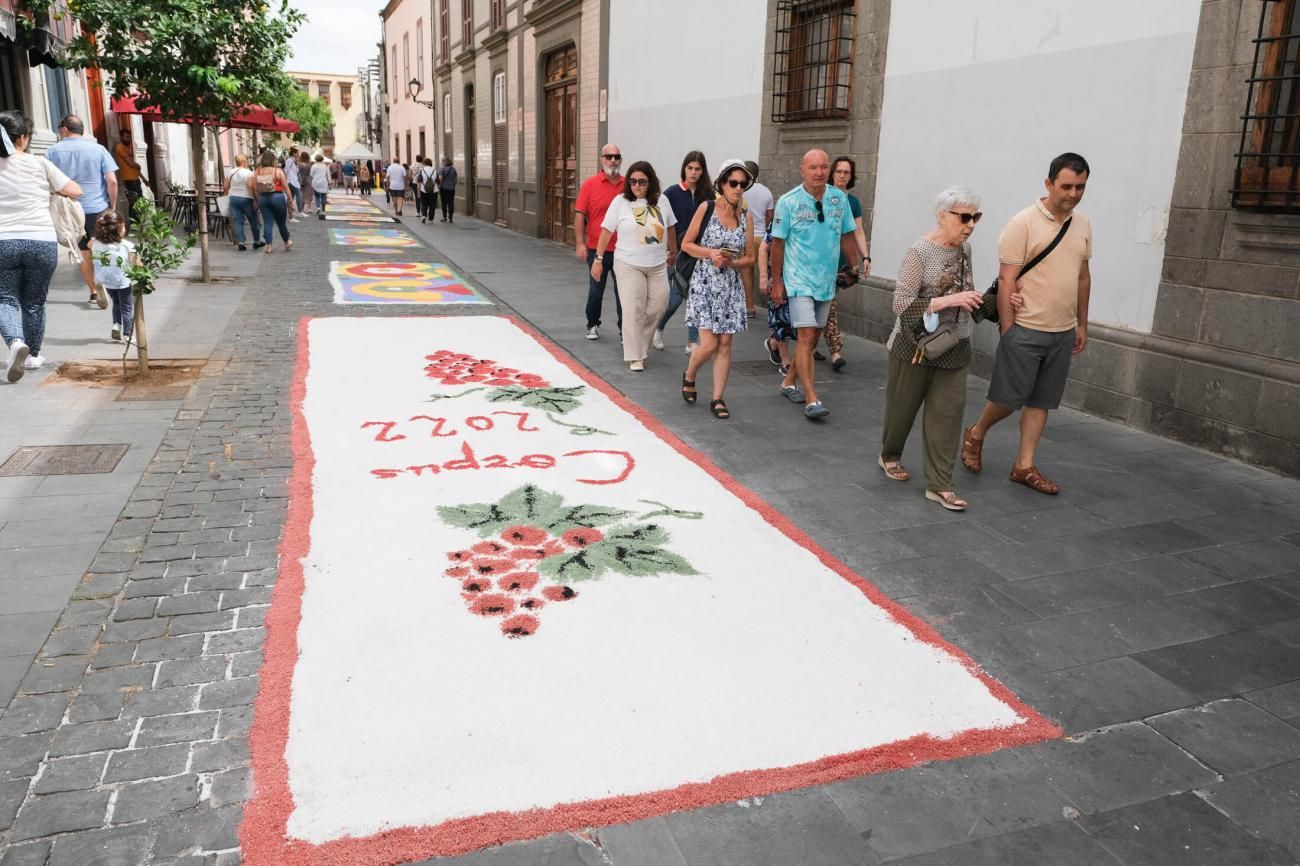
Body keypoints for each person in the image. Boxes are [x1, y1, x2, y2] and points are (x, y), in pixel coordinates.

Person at [961, 153, 1093, 496]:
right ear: (1049, 184)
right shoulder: (1022, 223)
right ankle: (976, 433)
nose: (1073, 193)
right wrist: (1008, 331)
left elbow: (1082, 277)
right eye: (1066, 186)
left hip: (1062, 330)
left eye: (1080, 187)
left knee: (1041, 401)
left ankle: (1024, 466)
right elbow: (1007, 281)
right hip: (1026, 327)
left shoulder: (1083, 225)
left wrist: (1082, 323)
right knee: (1009, 398)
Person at [879, 187, 987, 512]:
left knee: (947, 415)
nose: (970, 225)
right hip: (915, 346)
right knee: (902, 410)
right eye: (964, 217)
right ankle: (889, 454)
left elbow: (964, 293)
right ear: (943, 216)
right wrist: (947, 300)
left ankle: (940, 485)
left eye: (975, 217)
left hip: (955, 345)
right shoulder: (919, 252)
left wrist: (996, 301)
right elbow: (901, 303)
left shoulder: (965, 249)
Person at [770, 149, 861, 420]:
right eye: (813, 167)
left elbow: (847, 234)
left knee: (812, 339)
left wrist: (853, 267)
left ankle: (788, 382)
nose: (819, 172)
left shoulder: (838, 199)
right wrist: (776, 281)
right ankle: (812, 398)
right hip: (798, 280)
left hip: (826, 281)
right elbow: (777, 244)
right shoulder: (788, 202)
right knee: (807, 336)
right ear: (802, 170)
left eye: (823, 167)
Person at [0, 111, 81, 382]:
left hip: (3, 241)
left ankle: (15, 343)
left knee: (5, 298)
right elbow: (75, 190)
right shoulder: (39, 164)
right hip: (41, 240)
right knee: (34, 301)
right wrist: (50, 190)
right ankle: (33, 355)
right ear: (23, 138)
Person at [682, 159, 756, 420]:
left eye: (743, 184)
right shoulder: (707, 208)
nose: (738, 188)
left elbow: (751, 257)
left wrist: (732, 261)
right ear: (722, 184)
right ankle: (690, 375)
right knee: (709, 344)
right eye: (733, 183)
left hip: (730, 286)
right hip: (705, 283)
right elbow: (686, 245)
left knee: (725, 343)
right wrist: (711, 254)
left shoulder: (745, 217)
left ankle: (717, 398)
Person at [592, 160, 677, 372]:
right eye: (632, 181)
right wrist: (598, 259)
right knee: (632, 309)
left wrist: (673, 251)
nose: (637, 185)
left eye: (642, 181)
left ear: (651, 182)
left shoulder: (662, 201)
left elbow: (671, 226)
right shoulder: (620, 202)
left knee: (659, 305)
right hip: (628, 263)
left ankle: (641, 344)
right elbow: (606, 231)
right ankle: (635, 356)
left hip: (657, 264)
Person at [45, 114, 118, 306]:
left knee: (84, 253)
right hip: (98, 209)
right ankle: (108, 285)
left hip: (69, 212)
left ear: (65, 130)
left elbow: (47, 181)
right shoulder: (98, 149)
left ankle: (94, 291)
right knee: (104, 248)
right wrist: (113, 206)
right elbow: (112, 180)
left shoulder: (52, 152)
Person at [654, 150, 713, 355]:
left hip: (699, 253)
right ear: (684, 169)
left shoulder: (709, 195)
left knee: (696, 299)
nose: (693, 173)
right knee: (674, 299)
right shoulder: (671, 193)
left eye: (697, 169)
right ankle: (658, 328)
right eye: (690, 168)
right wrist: (669, 248)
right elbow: (663, 223)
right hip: (676, 253)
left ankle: (692, 341)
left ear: (703, 171)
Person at [821, 156, 874, 372]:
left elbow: (858, 231)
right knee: (829, 305)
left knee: (827, 304)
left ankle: (801, 343)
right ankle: (835, 352)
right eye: (839, 171)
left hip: (840, 262)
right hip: (819, 260)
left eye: (847, 172)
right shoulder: (821, 195)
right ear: (832, 173)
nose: (842, 175)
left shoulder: (852, 202)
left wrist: (865, 257)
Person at [575, 144, 625, 340]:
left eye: (617, 156)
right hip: (597, 249)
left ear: (620, 160)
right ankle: (592, 323)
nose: (613, 160)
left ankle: (624, 330)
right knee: (596, 291)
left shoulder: (628, 184)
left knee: (623, 293)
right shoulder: (590, 184)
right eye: (609, 156)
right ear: (601, 159)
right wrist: (580, 243)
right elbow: (580, 214)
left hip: (623, 250)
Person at [90, 210, 137, 344]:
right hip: (122, 281)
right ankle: (128, 335)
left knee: (116, 303)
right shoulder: (127, 246)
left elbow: (89, 244)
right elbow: (136, 264)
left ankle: (117, 324)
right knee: (127, 307)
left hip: (106, 281)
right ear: (121, 227)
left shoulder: (95, 243)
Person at [742, 160, 775, 319]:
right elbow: (770, 217)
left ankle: (749, 307)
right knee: (766, 272)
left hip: (746, 236)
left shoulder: (739, 189)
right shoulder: (766, 191)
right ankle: (774, 304)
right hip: (762, 237)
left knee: (747, 273)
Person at [254, 150, 292, 253]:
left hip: (263, 198)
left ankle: (269, 247)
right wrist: (290, 199)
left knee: (267, 222)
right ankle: (287, 242)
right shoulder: (278, 171)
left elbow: (255, 187)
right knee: (281, 223)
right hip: (277, 197)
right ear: (272, 160)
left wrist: (257, 199)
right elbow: (286, 187)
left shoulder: (258, 171)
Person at [223, 154, 263, 252]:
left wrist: (227, 195)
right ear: (244, 162)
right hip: (247, 199)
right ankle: (256, 241)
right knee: (253, 221)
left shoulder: (230, 172)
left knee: (238, 221)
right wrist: (255, 199)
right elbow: (252, 186)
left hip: (233, 198)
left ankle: (241, 242)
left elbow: (225, 187)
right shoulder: (249, 173)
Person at [113, 124, 144, 232]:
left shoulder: (128, 148)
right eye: (125, 137)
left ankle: (136, 223)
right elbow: (131, 164)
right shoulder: (120, 147)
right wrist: (137, 165)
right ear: (121, 137)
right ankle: (133, 224)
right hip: (130, 180)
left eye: (128, 137)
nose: (127, 139)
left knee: (137, 202)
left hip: (135, 179)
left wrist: (144, 179)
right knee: (136, 202)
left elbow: (135, 168)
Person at [283, 146, 303, 220]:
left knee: (291, 197)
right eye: (297, 152)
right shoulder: (289, 160)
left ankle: (290, 213)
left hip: (293, 180)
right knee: (298, 195)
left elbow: (296, 171)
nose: (298, 154)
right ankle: (300, 211)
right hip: (291, 181)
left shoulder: (293, 160)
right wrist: (285, 180)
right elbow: (286, 170)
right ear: (294, 153)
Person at [417, 158, 438, 223]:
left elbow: (419, 182)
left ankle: (424, 216)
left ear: (424, 163)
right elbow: (438, 181)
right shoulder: (435, 170)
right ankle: (431, 219)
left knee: (424, 203)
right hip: (433, 190)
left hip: (423, 190)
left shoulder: (422, 170)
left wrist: (418, 191)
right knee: (432, 205)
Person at [437, 157, 458, 223]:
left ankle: (445, 217)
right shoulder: (453, 169)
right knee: (451, 203)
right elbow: (456, 180)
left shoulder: (442, 169)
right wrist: (453, 186)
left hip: (444, 189)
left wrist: (439, 187)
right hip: (451, 189)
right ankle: (451, 218)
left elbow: (440, 179)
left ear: (444, 162)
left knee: (444, 203)